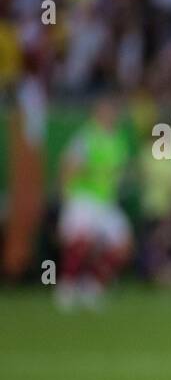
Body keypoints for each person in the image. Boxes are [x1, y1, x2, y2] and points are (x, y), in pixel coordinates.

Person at [55, 97, 132, 309]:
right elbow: (69, 164)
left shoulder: (119, 139)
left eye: (113, 111)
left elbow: (117, 170)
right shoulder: (87, 137)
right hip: (84, 198)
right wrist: (65, 193)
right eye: (106, 111)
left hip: (106, 201)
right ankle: (66, 287)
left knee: (123, 245)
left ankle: (92, 285)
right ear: (96, 113)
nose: (111, 115)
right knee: (80, 242)